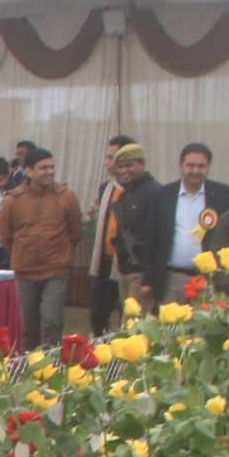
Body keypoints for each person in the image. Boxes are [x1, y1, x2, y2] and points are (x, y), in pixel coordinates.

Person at [0, 148, 82, 351]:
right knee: (28, 327)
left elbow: (75, 231)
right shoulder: (12, 200)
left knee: (52, 321)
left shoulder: (66, 196)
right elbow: (7, 236)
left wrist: (61, 254)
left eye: (52, 167)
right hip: (25, 272)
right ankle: (30, 368)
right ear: (29, 171)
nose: (50, 172)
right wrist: (22, 253)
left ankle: (52, 366)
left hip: (55, 271)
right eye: (44, 168)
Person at [143, 143, 229, 305]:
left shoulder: (223, 194)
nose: (195, 170)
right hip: (172, 279)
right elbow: (152, 238)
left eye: (201, 166)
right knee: (170, 327)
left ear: (208, 167)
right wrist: (148, 280)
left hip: (209, 281)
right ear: (180, 166)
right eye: (190, 165)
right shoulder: (163, 194)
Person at [97, 143, 159, 332]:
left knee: (134, 326)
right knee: (127, 321)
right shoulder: (127, 193)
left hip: (141, 271)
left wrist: (149, 278)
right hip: (126, 268)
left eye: (130, 165)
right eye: (120, 167)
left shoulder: (152, 193)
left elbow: (155, 238)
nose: (124, 171)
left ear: (142, 165)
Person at [84, 134, 138, 334]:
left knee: (128, 316)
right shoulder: (105, 188)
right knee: (97, 315)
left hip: (128, 264)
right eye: (107, 157)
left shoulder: (139, 190)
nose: (107, 162)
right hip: (104, 262)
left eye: (111, 157)